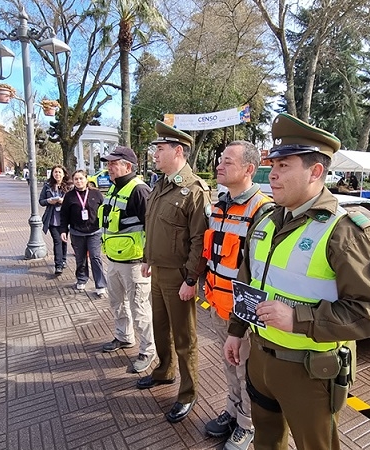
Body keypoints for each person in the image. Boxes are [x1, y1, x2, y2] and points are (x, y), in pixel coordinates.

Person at [223, 113, 370, 450]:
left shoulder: (345, 231)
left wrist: (297, 319)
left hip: (310, 372)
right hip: (260, 359)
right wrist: (236, 331)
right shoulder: (267, 219)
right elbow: (250, 278)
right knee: (266, 440)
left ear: (316, 172)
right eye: (273, 164)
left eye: (284, 165)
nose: (271, 173)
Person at [136, 121, 211, 424]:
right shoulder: (161, 185)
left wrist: (191, 279)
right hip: (158, 270)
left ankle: (188, 393)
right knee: (159, 327)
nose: (155, 153)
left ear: (178, 151)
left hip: (179, 276)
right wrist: (147, 257)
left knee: (185, 337)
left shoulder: (193, 191)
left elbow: (199, 240)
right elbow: (153, 225)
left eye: (160, 148)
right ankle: (164, 371)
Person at [202, 141, 273, 450]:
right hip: (218, 307)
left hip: (241, 316)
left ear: (249, 169)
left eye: (227, 161)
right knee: (230, 367)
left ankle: (247, 425)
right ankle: (233, 411)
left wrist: (242, 320)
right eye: (220, 160)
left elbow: (258, 272)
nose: (220, 165)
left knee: (246, 373)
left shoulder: (262, 210)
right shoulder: (220, 205)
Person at [97, 147, 156, 373]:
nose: (109, 167)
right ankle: (124, 337)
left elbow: (152, 227)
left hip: (134, 263)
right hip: (113, 259)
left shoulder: (140, 191)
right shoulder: (114, 188)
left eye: (113, 164)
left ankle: (148, 350)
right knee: (117, 302)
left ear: (128, 166)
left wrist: (148, 258)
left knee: (139, 309)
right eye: (108, 163)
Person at [60, 170, 107, 295]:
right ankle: (82, 279)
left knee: (95, 257)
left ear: (86, 179)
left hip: (94, 232)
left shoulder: (96, 194)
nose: (79, 181)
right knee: (80, 258)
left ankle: (100, 284)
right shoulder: (69, 196)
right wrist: (63, 230)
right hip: (77, 232)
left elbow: (104, 211)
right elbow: (64, 215)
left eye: (81, 178)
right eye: (76, 179)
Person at [40, 165, 71, 274]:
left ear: (63, 174)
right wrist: (49, 201)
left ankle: (63, 260)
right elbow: (41, 201)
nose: (57, 174)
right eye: (55, 172)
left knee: (64, 240)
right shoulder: (47, 186)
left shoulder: (69, 186)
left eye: (59, 172)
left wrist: (64, 201)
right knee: (57, 240)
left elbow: (73, 201)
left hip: (65, 218)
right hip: (52, 218)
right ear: (52, 174)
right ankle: (58, 265)